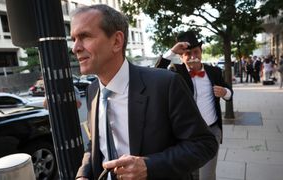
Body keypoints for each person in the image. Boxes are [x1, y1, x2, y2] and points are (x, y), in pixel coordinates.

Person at [71, 5, 218, 180]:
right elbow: (95, 143)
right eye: (73, 39)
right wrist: (83, 174)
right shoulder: (93, 90)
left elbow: (204, 144)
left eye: (85, 36)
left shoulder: (166, 84)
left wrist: (149, 166)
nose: (75, 48)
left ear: (117, 41)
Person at [156, 31, 233, 180]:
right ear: (181, 56)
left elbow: (230, 93)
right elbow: (156, 73)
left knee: (207, 175)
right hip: (186, 134)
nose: (192, 57)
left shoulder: (214, 71)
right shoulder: (175, 72)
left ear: (201, 52)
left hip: (211, 131)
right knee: (190, 174)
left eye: (196, 52)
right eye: (187, 54)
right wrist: (171, 51)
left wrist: (225, 92)